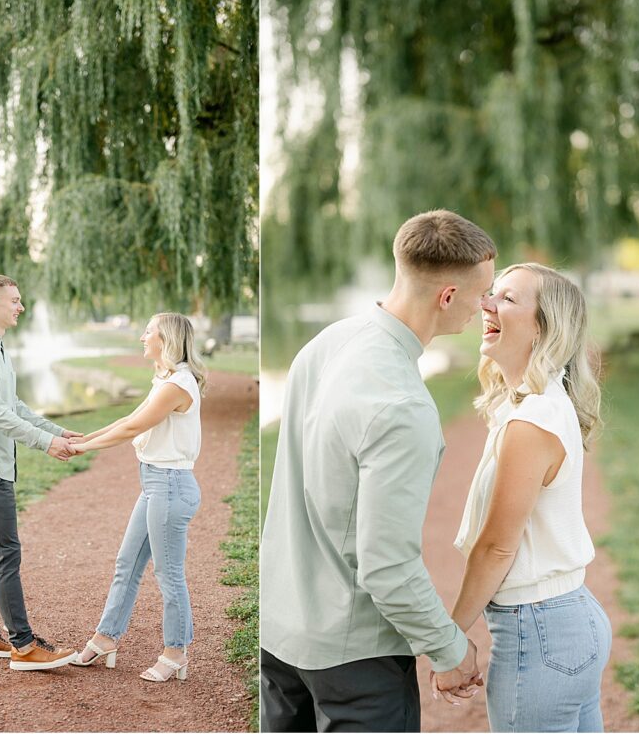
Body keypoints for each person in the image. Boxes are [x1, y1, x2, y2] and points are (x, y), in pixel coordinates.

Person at [260, 210, 497, 732]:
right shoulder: (403, 405)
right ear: (448, 297)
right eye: (484, 294)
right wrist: (449, 649)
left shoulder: (324, 344)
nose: (488, 307)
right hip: (355, 660)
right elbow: (387, 565)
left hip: (280, 633)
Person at [446, 263, 611, 731]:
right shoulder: (534, 405)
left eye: (508, 299)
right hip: (569, 622)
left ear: (542, 328)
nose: (485, 304)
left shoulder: (530, 422)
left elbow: (498, 547)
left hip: (541, 635)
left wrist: (450, 637)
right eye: (491, 294)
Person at [0, 273, 81, 671]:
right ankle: (24, 647)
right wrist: (45, 444)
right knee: (5, 555)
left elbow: (15, 406)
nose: (20, 307)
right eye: (15, 300)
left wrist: (57, 431)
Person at [68, 312, 206, 683]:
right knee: (126, 564)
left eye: (149, 332)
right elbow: (129, 417)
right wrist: (83, 438)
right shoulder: (164, 379)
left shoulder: (178, 384)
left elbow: (133, 427)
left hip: (171, 486)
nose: (142, 337)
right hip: (154, 485)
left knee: (169, 574)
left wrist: (85, 450)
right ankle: (105, 638)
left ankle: (176, 652)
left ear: (167, 339)